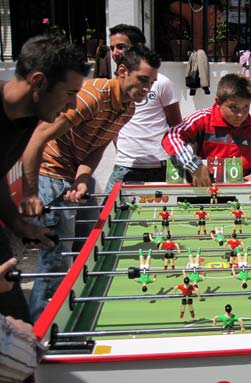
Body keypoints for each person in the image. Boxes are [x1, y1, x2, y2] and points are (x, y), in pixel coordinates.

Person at [22, 44, 161, 321]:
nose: (147, 88)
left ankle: (78, 315)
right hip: (50, 175)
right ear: (122, 72)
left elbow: (97, 146)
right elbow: (38, 138)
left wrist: (83, 177)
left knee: (90, 248)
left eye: (152, 83)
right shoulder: (91, 97)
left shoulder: (128, 108)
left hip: (71, 175)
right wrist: (30, 193)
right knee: (55, 264)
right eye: (142, 79)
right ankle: (39, 337)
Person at [0, 34, 90, 324]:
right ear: (39, 82)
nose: (74, 103)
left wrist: (18, 224)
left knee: (22, 338)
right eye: (69, 92)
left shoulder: (26, 119)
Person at [105, 24, 182, 192]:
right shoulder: (110, 85)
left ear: (137, 48)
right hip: (125, 165)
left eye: (121, 47)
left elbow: (176, 125)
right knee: (108, 213)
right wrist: (124, 148)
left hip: (158, 166)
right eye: (112, 48)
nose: (115, 53)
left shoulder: (161, 82)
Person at [162, 73, 251, 186]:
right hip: (203, 194)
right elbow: (171, 137)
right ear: (218, 102)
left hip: (241, 196)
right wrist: (194, 166)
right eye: (234, 108)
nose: (241, 114)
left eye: (246, 107)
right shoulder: (202, 120)